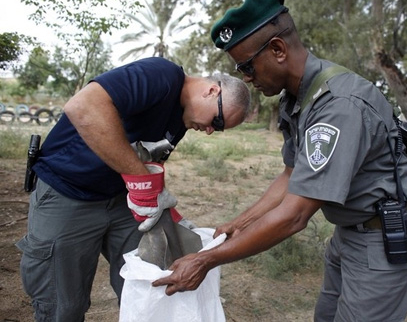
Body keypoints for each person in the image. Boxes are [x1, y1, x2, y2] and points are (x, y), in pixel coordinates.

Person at [153, 0, 407, 321]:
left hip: (384, 238)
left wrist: (205, 260)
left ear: (278, 49)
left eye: (247, 66)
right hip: (350, 231)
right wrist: (240, 223)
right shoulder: (297, 98)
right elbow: (291, 175)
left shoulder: (338, 107)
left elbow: (294, 215)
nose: (245, 77)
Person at [15, 56, 251, 322]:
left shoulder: (182, 118)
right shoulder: (161, 75)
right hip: (68, 194)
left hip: (119, 200)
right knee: (61, 306)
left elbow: (145, 160)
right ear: (212, 91)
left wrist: (169, 213)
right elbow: (83, 106)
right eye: (217, 122)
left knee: (147, 287)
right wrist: (143, 182)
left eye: (217, 130)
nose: (209, 130)